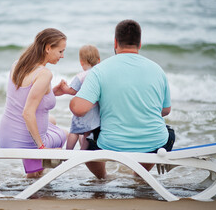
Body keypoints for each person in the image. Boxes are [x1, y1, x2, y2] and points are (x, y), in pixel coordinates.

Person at [69, 20, 175, 179]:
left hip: (111, 143)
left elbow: (79, 109)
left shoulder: (99, 70)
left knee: (88, 139)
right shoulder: (157, 70)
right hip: (155, 143)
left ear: (115, 42)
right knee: (168, 133)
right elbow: (165, 110)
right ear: (139, 44)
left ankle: (102, 177)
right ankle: (139, 176)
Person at [0, 28, 68, 178]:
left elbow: (24, 97)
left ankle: (34, 172)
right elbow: (27, 113)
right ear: (48, 48)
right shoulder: (44, 73)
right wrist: (42, 148)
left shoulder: (17, 64)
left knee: (52, 120)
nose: (63, 56)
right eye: (60, 51)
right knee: (67, 134)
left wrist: (52, 92)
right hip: (24, 141)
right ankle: (36, 172)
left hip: (6, 137)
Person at [58, 45, 101, 150]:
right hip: (95, 110)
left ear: (81, 62)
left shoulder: (81, 76)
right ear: (99, 60)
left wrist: (64, 88)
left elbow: (72, 91)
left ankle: (68, 152)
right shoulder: (99, 75)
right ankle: (83, 153)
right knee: (87, 132)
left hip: (81, 107)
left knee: (74, 131)